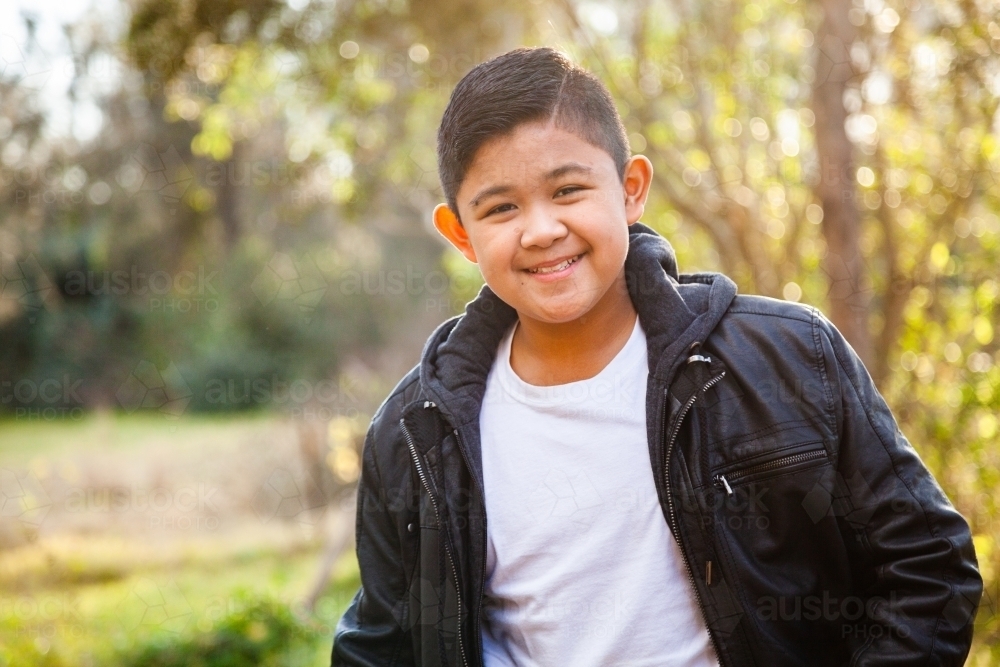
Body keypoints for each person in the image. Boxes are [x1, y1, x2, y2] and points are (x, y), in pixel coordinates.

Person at [332, 46, 982, 666]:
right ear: (460, 234)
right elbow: (380, 645)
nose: (540, 230)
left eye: (567, 191)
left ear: (630, 188)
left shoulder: (788, 356)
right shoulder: (415, 430)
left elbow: (929, 566)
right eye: (501, 208)